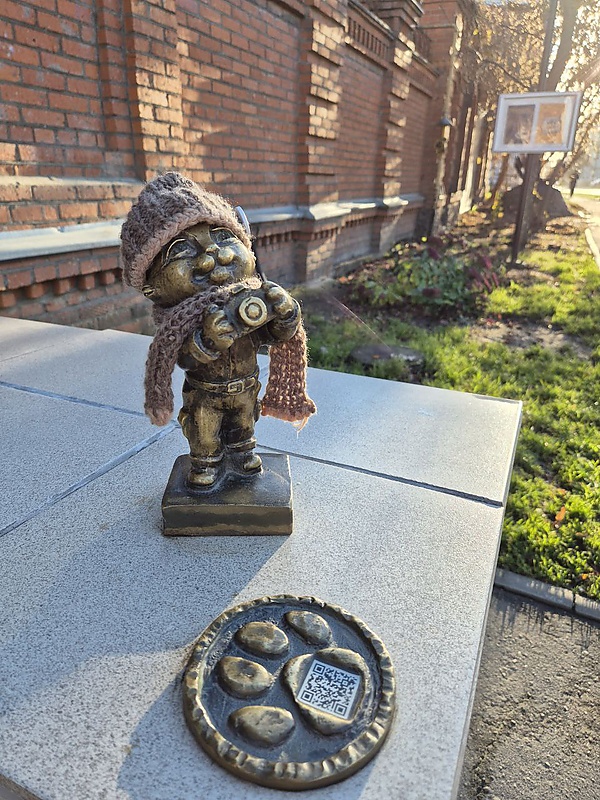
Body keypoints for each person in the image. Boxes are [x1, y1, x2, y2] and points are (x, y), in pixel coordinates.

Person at [120, 172, 315, 489]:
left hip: (246, 388)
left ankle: (243, 454)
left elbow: (270, 337)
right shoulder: (180, 323)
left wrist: (286, 316)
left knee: (243, 426)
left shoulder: (251, 299)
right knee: (204, 432)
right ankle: (205, 464)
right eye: (181, 250)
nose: (215, 253)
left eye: (224, 237)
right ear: (152, 289)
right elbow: (184, 357)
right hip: (205, 393)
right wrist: (206, 340)